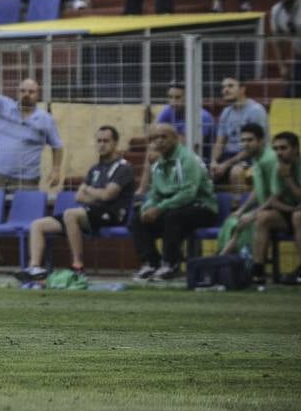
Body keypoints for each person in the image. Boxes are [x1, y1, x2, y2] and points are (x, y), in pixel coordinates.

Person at [15, 126, 133, 283]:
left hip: (112, 214)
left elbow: (108, 195)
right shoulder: (95, 169)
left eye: (106, 140)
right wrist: (97, 194)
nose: (102, 144)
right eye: (99, 140)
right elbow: (79, 196)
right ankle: (35, 268)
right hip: (89, 213)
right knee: (37, 224)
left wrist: (90, 190)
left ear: (115, 143)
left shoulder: (123, 167)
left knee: (71, 214)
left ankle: (78, 266)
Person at [130, 123, 218, 282]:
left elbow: (188, 194)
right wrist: (148, 207)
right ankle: (151, 263)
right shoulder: (158, 163)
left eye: (164, 137)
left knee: (173, 216)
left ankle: (171, 264)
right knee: (138, 219)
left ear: (176, 139)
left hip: (203, 208)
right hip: (174, 207)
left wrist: (159, 208)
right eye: (155, 138)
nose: (159, 141)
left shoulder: (187, 159)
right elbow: (155, 193)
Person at [0, 63, 64, 190]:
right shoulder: (5, 106)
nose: (26, 94)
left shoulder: (45, 119)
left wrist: (56, 170)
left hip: (26, 180)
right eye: (23, 91)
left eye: (31, 92)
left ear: (38, 94)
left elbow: (57, 146)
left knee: (24, 210)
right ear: (17, 93)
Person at [249, 131, 301, 284]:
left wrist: (288, 178)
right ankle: (258, 270)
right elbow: (274, 200)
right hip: (291, 212)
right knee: (263, 217)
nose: (279, 153)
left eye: (283, 148)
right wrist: (291, 210)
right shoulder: (278, 167)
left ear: (296, 149)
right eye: (276, 149)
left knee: (299, 217)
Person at [211, 76, 269, 185]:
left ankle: (238, 202)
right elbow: (219, 143)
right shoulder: (226, 112)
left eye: (230, 86)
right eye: (223, 87)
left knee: (236, 172)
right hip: (230, 156)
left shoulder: (255, 110)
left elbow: (253, 148)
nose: (225, 90)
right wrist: (214, 161)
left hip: (252, 158)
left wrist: (226, 164)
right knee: (207, 172)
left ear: (242, 89)